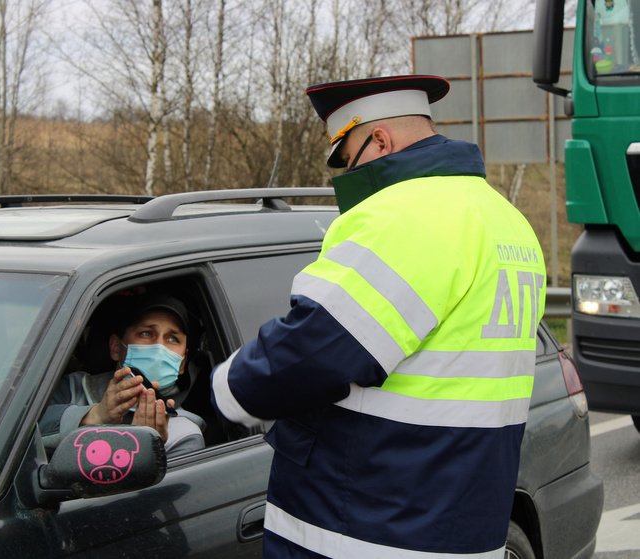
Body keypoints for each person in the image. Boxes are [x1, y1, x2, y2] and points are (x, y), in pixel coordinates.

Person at [210, 75, 547, 558]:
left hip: (370, 525)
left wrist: (222, 392)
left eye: (347, 159)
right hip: (465, 523)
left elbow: (316, 348)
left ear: (380, 140)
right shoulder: (504, 218)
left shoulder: (406, 215)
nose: (346, 175)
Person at [41, 293, 205, 458]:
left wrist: (146, 451)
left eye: (173, 339)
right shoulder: (75, 388)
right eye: (146, 333)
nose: (159, 347)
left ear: (182, 362)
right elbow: (24, 429)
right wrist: (95, 416)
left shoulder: (185, 434)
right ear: (115, 348)